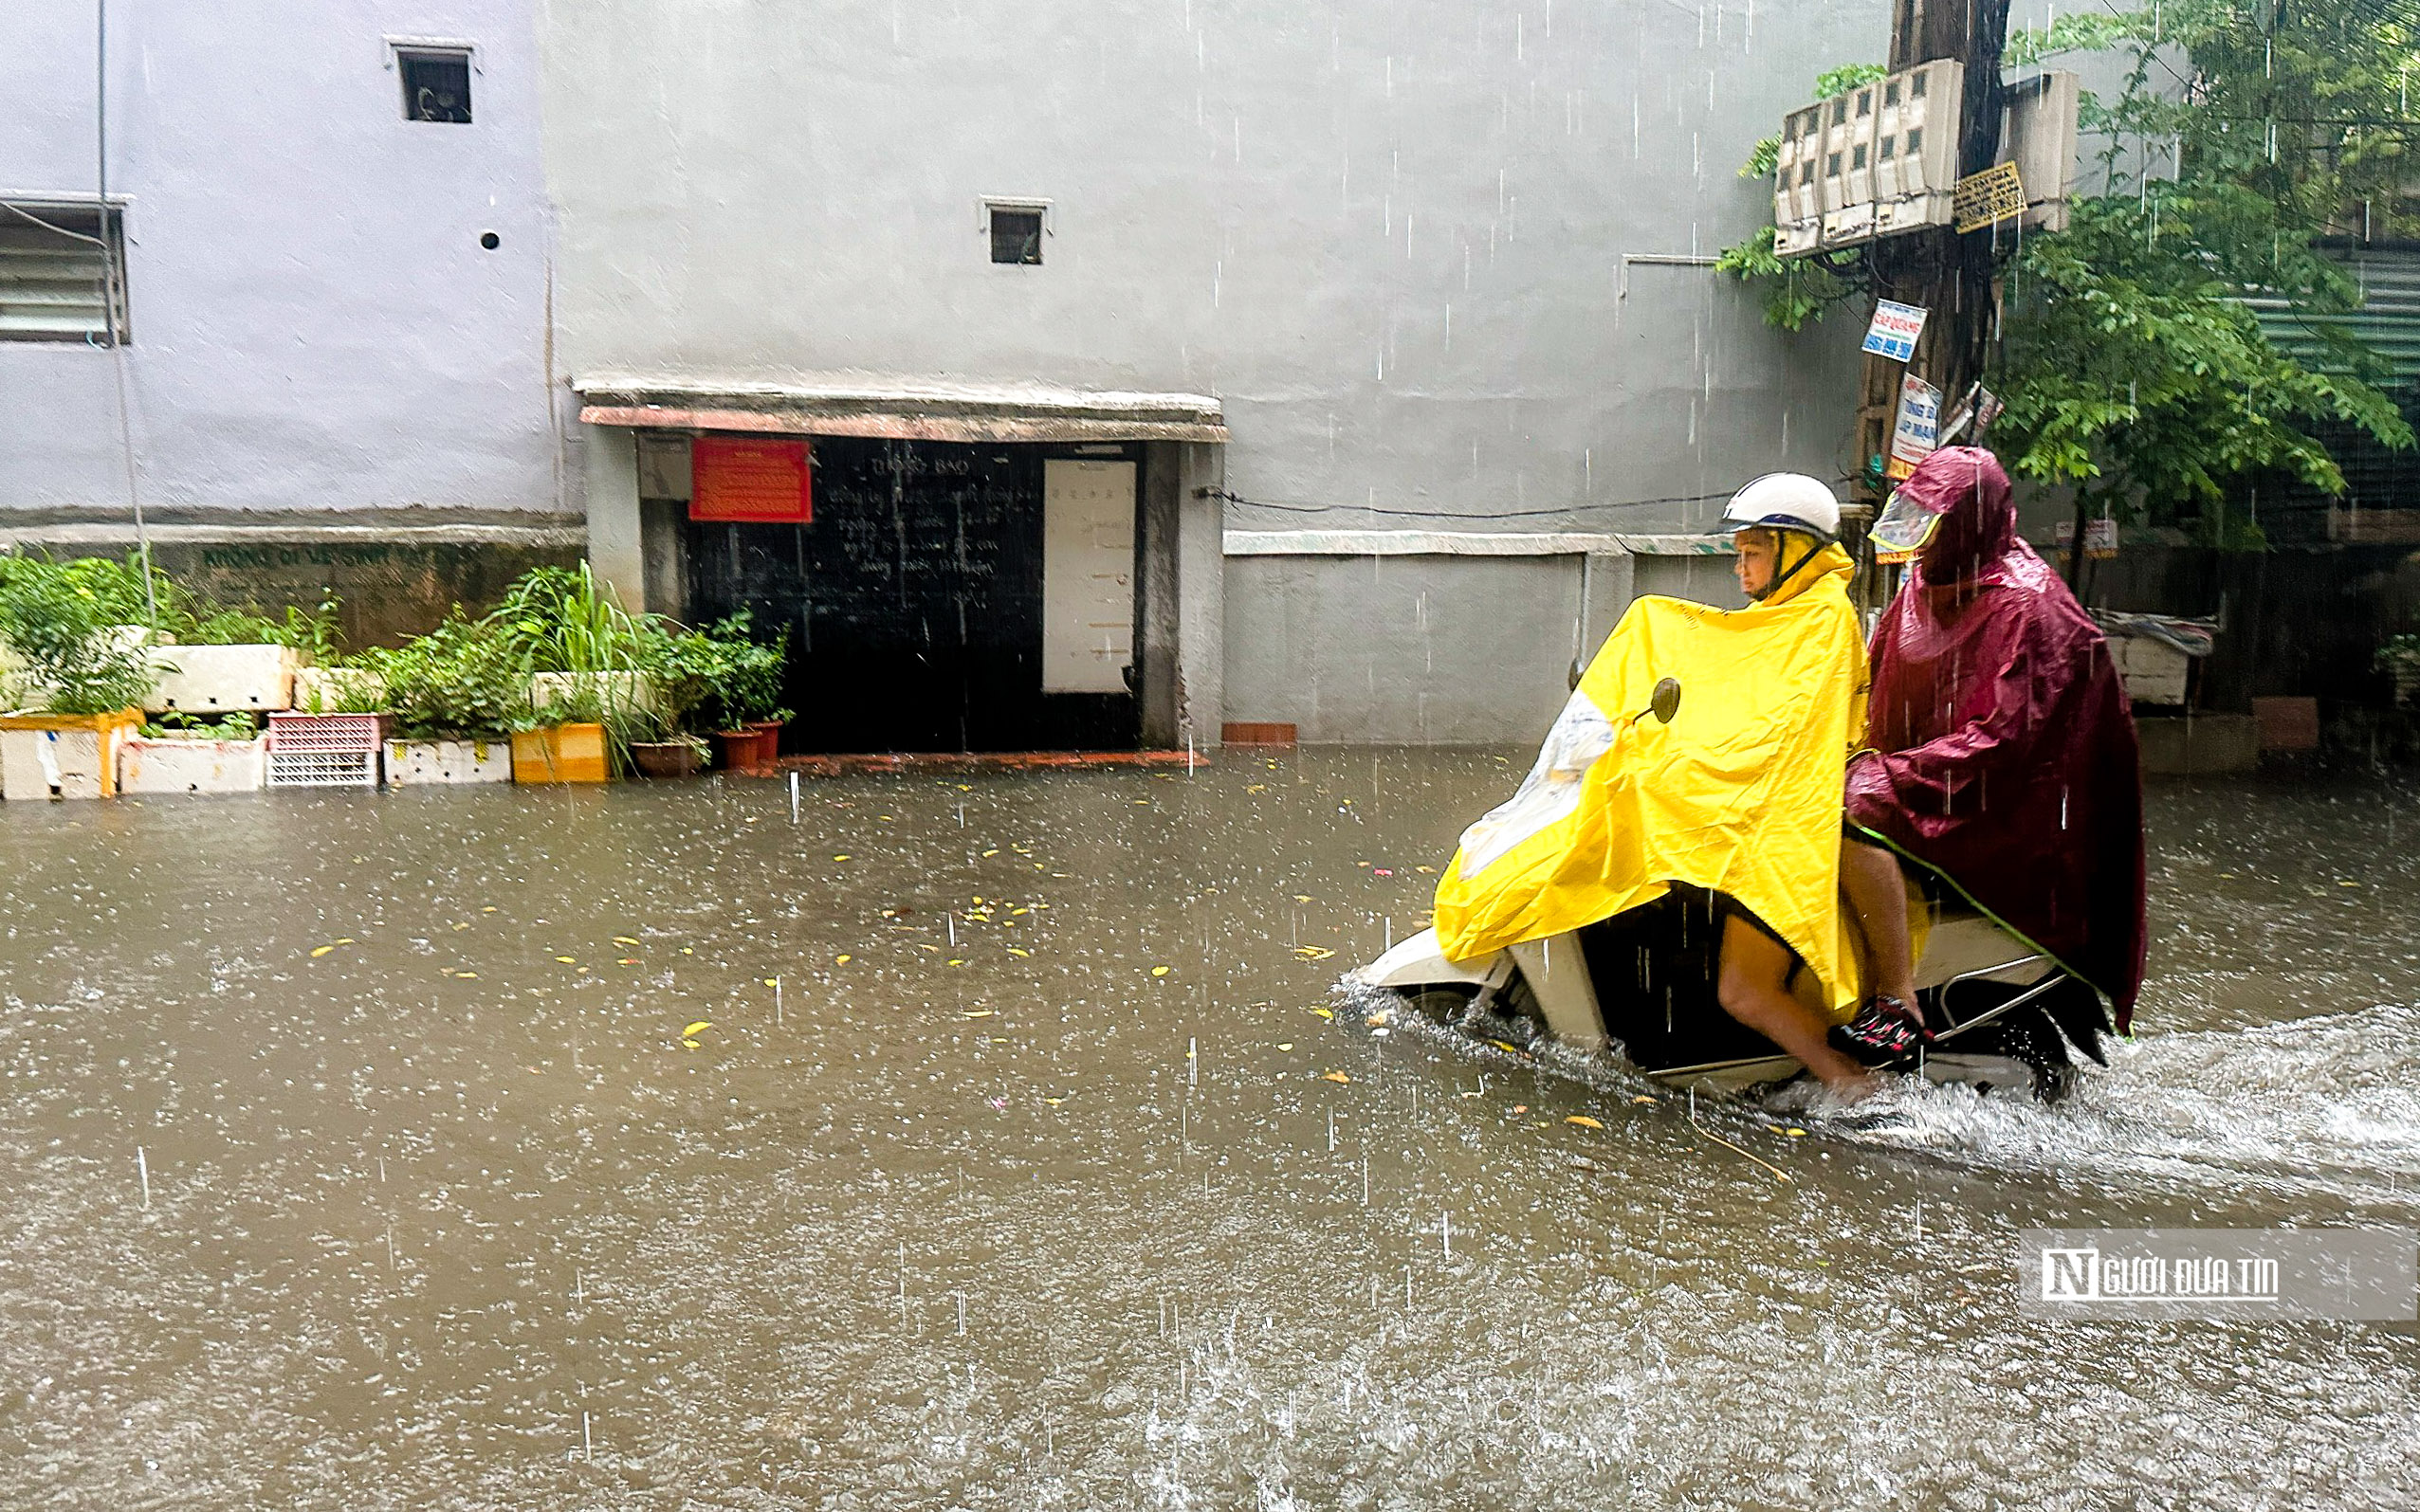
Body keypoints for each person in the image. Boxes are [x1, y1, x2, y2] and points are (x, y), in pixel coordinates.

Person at [1430, 472, 1879, 1096]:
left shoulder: (1820, 620)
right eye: (1740, 553)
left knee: (1744, 991)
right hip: (1758, 822)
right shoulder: (1780, 614)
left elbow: (1781, 741)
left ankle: (1855, 1085)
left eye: (1752, 553)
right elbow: (1726, 700)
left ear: (1795, 549)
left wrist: (1680, 770)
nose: (1739, 569)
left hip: (1778, 841)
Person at [1835, 446, 2147, 1053]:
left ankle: (1894, 1000)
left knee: (1853, 807)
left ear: (1967, 525)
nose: (1920, 542)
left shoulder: (2028, 606)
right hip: (1933, 770)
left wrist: (1890, 773)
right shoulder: (1927, 584)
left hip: (2001, 802)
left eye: (1934, 523)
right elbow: (1875, 685)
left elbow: (2002, 740)